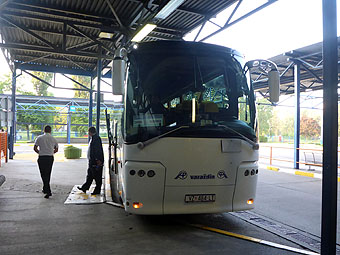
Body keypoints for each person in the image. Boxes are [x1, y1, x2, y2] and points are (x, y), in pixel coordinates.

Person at [33, 125, 58, 199]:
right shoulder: (53, 139)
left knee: (43, 174)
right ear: (50, 131)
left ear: (44, 130)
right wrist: (50, 152)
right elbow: (56, 149)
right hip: (50, 158)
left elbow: (35, 148)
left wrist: (40, 152)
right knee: (48, 173)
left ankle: (47, 190)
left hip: (41, 157)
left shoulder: (39, 138)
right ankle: (46, 189)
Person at [78, 127, 104, 195]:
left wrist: (98, 160)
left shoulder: (96, 139)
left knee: (97, 176)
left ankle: (97, 190)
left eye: (88, 132)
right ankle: (85, 187)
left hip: (95, 161)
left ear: (90, 132)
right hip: (92, 160)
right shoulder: (93, 138)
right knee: (90, 175)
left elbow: (97, 150)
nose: (88, 133)